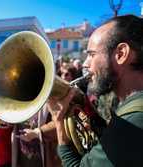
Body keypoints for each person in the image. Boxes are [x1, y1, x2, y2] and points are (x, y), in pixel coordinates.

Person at [48, 14, 143, 167]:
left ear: (121, 54)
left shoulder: (130, 125)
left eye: (92, 55)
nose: (86, 64)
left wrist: (59, 123)